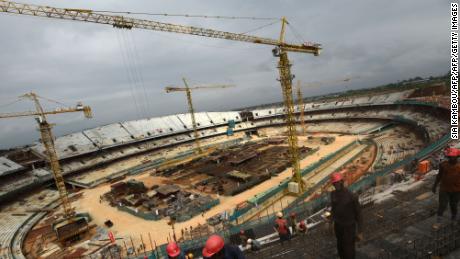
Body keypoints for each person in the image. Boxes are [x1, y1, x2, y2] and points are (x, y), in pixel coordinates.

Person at [329, 171, 363, 259]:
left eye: (337, 182)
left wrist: (360, 232)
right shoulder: (333, 195)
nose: (336, 185)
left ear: (342, 182)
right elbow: (333, 209)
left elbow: (359, 214)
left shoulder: (351, 196)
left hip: (349, 228)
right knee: (340, 250)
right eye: (334, 183)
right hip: (338, 227)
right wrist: (331, 223)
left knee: (349, 252)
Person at [432, 147, 460, 222]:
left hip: (456, 190)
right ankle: (439, 219)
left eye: (453, 157)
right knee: (442, 204)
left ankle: (454, 216)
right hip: (444, 189)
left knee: (453, 205)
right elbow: (439, 176)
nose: (451, 158)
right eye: (450, 157)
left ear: (457, 157)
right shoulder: (443, 165)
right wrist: (434, 186)